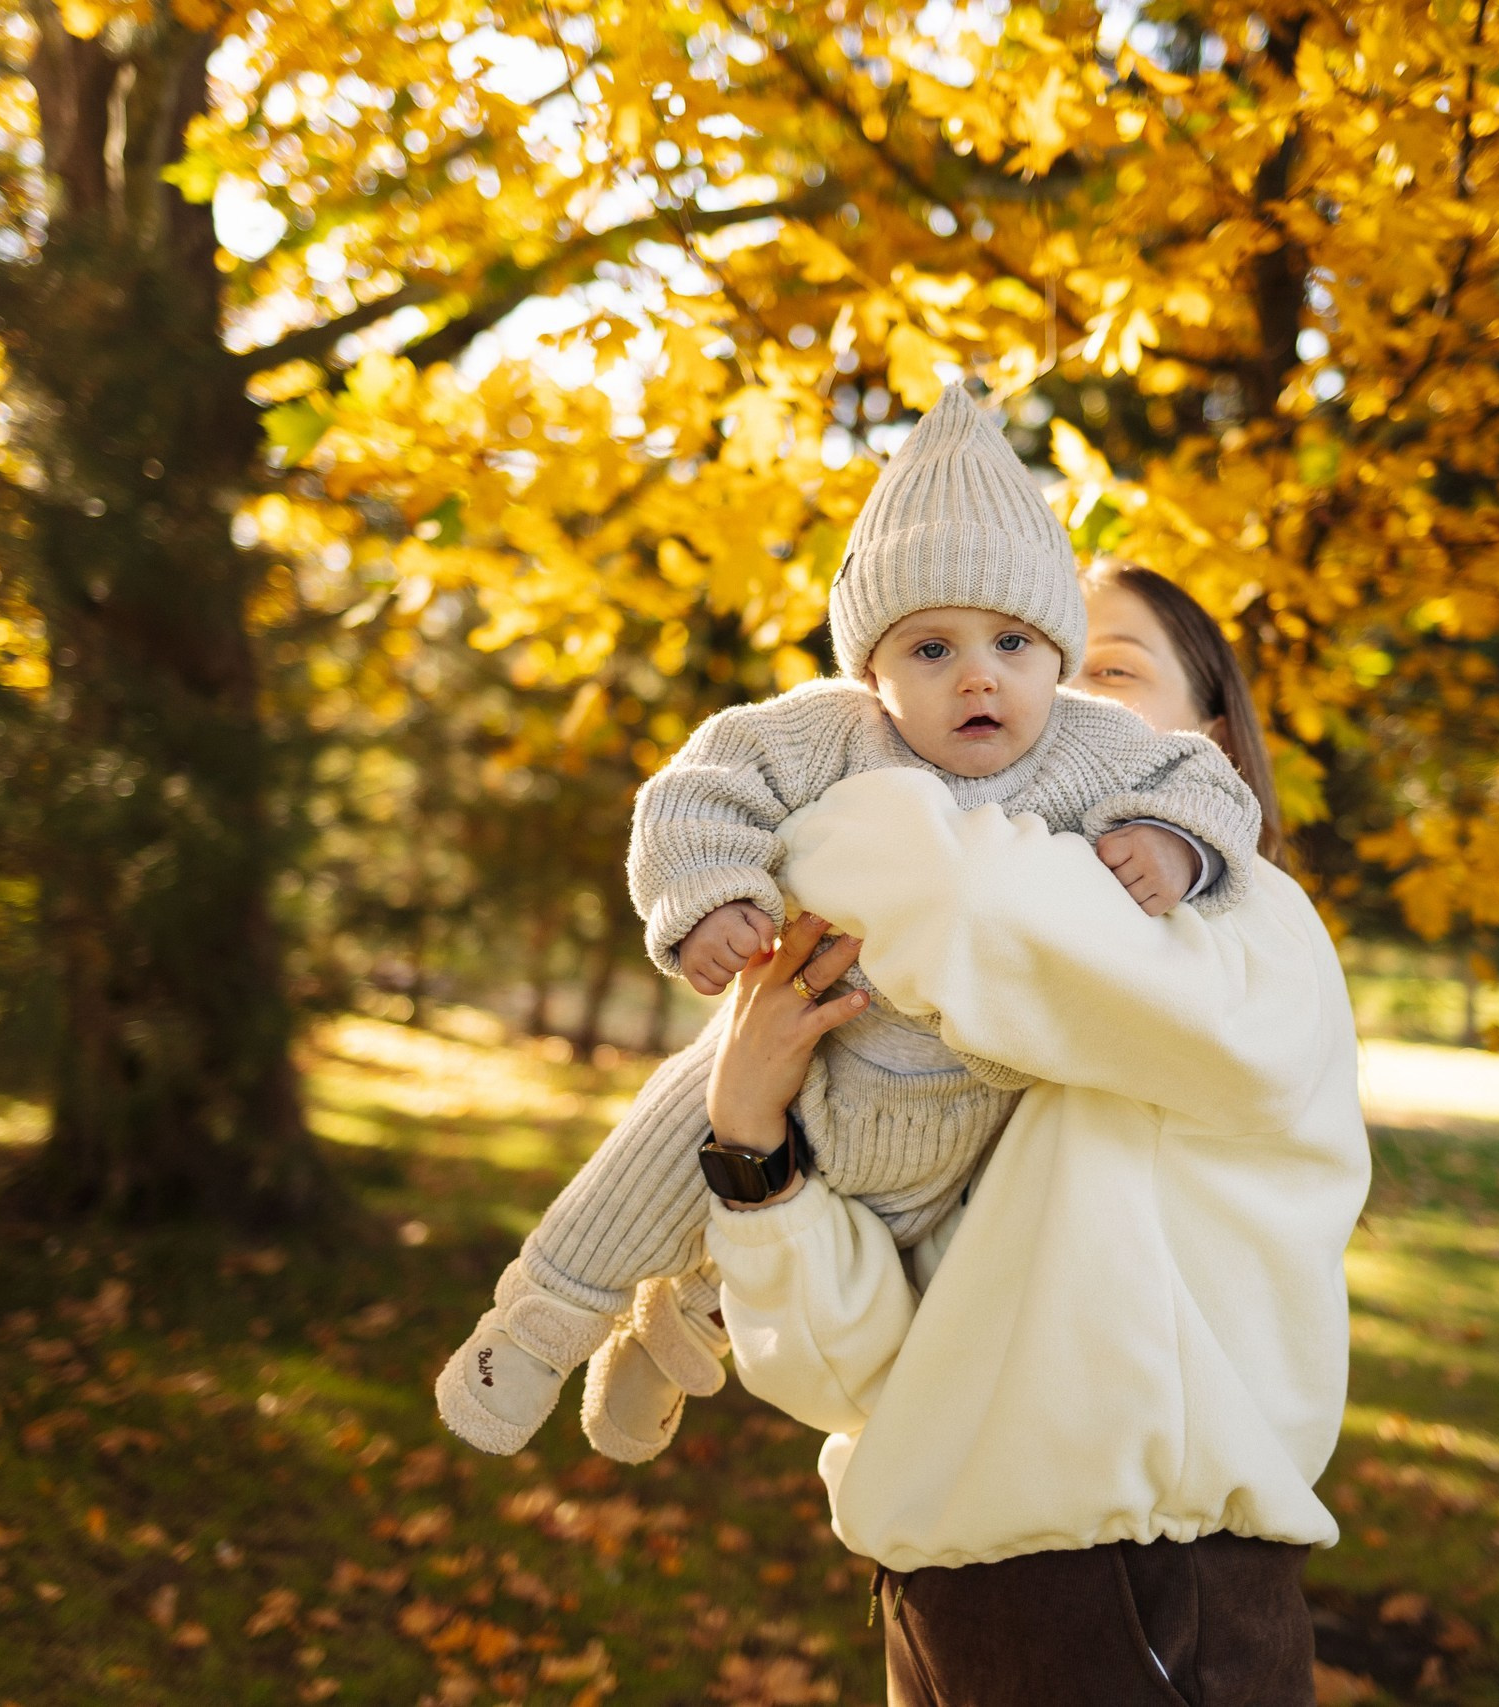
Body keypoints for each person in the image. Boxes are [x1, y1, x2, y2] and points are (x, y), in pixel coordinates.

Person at [436, 389, 1267, 1465]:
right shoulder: (827, 732)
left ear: (1055, 657)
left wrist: (1172, 844)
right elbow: (693, 794)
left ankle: (682, 1324)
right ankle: (538, 1327)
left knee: (890, 1278)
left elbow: (1210, 786)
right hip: (823, 1048)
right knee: (661, 1147)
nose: (979, 674)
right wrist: (714, 901)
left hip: (979, 1114)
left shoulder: (1092, 744)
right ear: (867, 666)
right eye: (930, 648)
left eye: (1014, 641)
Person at [702, 568, 1369, 1704]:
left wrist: (792, 805)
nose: (1023, 695)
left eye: (1092, 667)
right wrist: (750, 1136)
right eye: (941, 654)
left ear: (1207, 744)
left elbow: (941, 888)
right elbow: (846, 1374)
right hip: (939, 1602)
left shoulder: (1251, 930)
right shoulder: (934, 1037)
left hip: (1145, 1596)